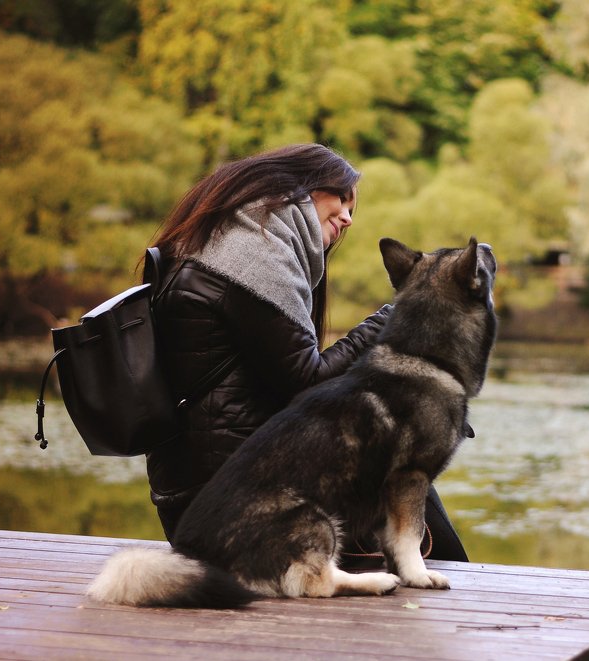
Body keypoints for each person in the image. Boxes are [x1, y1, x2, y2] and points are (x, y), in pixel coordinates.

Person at [146, 143, 468, 562]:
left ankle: (440, 566)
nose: (349, 217)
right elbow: (307, 382)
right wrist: (393, 317)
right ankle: (448, 571)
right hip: (239, 502)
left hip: (214, 490)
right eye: (343, 200)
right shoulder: (248, 257)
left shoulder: (224, 247)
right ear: (301, 187)